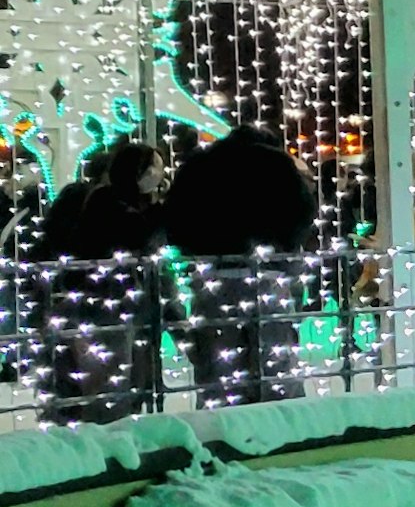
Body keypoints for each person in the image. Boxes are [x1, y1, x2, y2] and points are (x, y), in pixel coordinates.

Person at [160, 124, 321, 406]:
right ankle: (279, 423)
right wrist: (282, 245)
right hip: (269, 273)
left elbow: (174, 221)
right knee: (274, 361)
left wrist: (197, 248)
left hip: (213, 273)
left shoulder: (199, 166)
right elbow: (303, 214)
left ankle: (222, 427)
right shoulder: (277, 165)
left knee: (219, 365)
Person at [36, 139, 165, 424]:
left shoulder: (111, 200)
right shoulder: (106, 201)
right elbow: (135, 235)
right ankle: (101, 437)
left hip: (95, 300)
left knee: (106, 378)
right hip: (98, 302)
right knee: (105, 381)